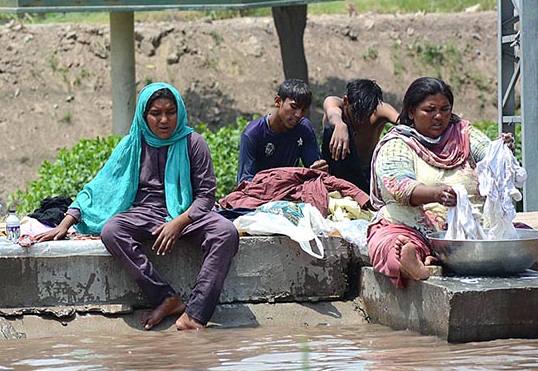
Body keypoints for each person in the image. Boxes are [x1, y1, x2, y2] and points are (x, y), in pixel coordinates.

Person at [36, 82, 239, 331]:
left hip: (187, 213)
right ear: (144, 116)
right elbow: (99, 187)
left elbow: (206, 196)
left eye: (170, 113)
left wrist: (178, 222)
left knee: (226, 232)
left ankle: (195, 315)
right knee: (112, 231)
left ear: (179, 113)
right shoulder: (132, 145)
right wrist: (66, 222)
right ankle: (165, 298)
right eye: (156, 114)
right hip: (145, 214)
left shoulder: (193, 143)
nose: (164, 120)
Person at [366, 77, 513, 287]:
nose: (439, 117)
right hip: (411, 226)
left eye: (445, 109)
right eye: (429, 110)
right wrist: (436, 194)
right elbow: (398, 185)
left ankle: (433, 260)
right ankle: (412, 264)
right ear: (411, 112)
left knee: (514, 231)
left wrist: (501, 151)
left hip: (472, 230)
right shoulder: (398, 143)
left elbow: (488, 155)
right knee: (388, 244)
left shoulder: (463, 133)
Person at [237, 78, 328, 185]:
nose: (298, 114)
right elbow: (245, 181)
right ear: (278, 101)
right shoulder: (253, 134)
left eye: (303, 110)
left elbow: (314, 169)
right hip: (260, 194)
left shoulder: (304, 128)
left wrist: (320, 168)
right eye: (293, 107)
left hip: (291, 191)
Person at [321, 79, 399, 191]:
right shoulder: (334, 103)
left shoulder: (379, 110)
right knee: (330, 128)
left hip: (363, 175)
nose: (360, 120)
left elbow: (403, 121)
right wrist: (340, 125)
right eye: (355, 113)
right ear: (346, 101)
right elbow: (332, 113)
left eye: (365, 115)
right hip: (335, 169)